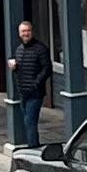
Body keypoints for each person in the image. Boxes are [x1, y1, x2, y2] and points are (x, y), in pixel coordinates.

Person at [7, 17, 52, 149]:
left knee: (30, 121)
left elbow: (47, 68)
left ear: (32, 32)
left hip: (35, 93)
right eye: (23, 31)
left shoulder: (41, 49)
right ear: (19, 34)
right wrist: (14, 68)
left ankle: (33, 147)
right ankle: (33, 145)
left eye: (28, 31)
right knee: (28, 122)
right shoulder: (19, 50)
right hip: (23, 93)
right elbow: (19, 72)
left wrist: (36, 84)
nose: (26, 33)